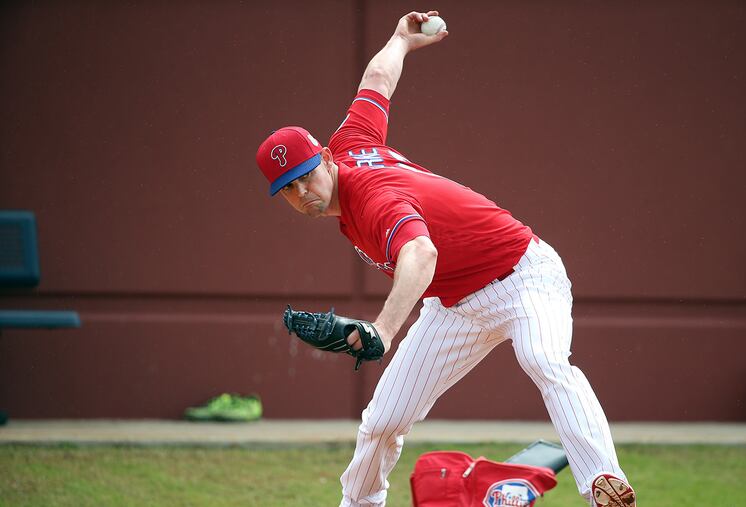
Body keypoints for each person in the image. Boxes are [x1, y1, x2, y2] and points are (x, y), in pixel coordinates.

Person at [256, 10, 636, 507]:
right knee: (384, 420)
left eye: (308, 173)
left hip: (524, 276)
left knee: (543, 358)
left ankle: (603, 484)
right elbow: (376, 80)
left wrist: (384, 331)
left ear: (325, 158)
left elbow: (420, 251)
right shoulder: (353, 142)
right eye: (289, 187)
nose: (304, 190)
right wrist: (399, 40)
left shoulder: (371, 199)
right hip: (455, 304)